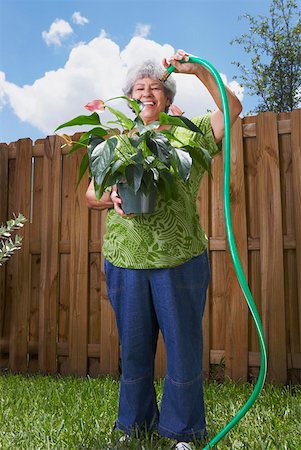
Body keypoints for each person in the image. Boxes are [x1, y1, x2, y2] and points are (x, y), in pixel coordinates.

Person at [86, 49, 242, 450]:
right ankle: (132, 426)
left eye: (156, 87)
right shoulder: (117, 140)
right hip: (126, 258)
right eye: (139, 87)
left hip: (179, 258)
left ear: (168, 97)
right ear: (129, 96)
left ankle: (183, 433)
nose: (147, 92)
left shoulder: (189, 133)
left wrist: (195, 72)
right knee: (134, 349)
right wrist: (112, 200)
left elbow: (233, 109)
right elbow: (91, 193)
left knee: (184, 348)